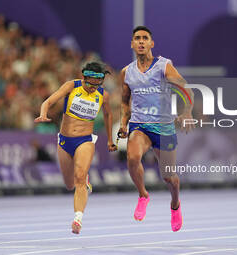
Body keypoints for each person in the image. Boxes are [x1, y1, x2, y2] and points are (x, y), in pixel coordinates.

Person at [118, 26, 194, 232]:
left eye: (145, 38)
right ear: (132, 44)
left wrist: (186, 112)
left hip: (164, 126)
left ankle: (175, 204)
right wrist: (124, 123)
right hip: (139, 125)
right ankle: (143, 194)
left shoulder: (164, 66)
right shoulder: (126, 72)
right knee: (133, 157)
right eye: (137, 38)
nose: (141, 41)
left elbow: (185, 90)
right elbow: (125, 101)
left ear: (152, 43)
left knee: (170, 178)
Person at [34, 62, 117, 234]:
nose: (93, 88)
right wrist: (43, 114)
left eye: (97, 85)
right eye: (90, 84)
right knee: (69, 184)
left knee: (79, 178)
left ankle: (78, 219)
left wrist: (110, 139)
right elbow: (48, 101)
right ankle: (82, 180)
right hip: (65, 141)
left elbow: (108, 115)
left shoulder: (103, 95)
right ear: (83, 78)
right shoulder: (72, 86)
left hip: (85, 141)